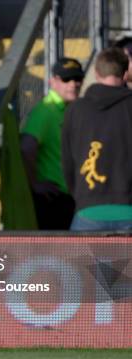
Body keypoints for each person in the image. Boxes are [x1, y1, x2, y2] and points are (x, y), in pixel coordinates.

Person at [61, 47, 132, 231]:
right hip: (129, 207)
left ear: (96, 72)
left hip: (88, 209)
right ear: (126, 74)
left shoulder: (75, 109)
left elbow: (67, 162)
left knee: (79, 261)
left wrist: (81, 196)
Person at [20, 58, 83, 230]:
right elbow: (26, 147)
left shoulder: (70, 109)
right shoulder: (46, 110)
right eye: (66, 79)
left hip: (67, 196)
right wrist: (34, 183)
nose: (73, 84)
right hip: (53, 198)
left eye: (77, 79)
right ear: (53, 81)